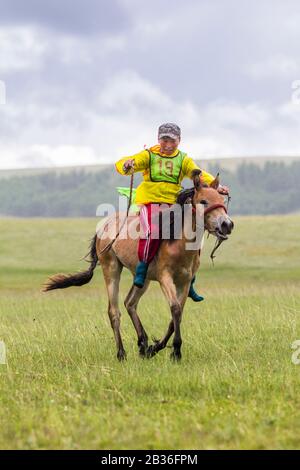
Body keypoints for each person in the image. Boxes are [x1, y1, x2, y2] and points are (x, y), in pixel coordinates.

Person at [115, 123, 229, 301]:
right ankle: (142, 267)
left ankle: (190, 280)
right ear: (158, 139)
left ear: (179, 141)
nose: (168, 145)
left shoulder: (183, 160)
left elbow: (198, 174)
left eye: (172, 141)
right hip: (149, 202)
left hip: (173, 203)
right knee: (153, 231)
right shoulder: (149, 155)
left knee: (194, 233)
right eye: (164, 140)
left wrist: (218, 187)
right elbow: (126, 163)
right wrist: (127, 165)